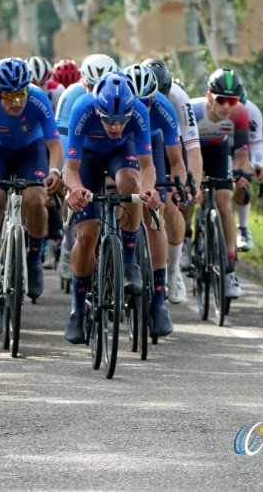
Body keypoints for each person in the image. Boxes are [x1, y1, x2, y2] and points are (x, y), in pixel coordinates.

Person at [62, 72, 160, 344]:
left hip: (122, 153)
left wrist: (148, 190)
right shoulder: (82, 108)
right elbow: (69, 169)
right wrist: (76, 190)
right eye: (109, 120)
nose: (116, 126)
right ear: (97, 110)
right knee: (87, 234)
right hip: (89, 159)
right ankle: (78, 309)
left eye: (122, 120)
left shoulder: (139, 111)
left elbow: (148, 166)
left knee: (131, 182)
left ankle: (129, 262)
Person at [0, 57, 65, 316]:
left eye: (21, 93)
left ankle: (34, 257)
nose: (17, 102)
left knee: (36, 198)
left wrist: (55, 171)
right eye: (9, 96)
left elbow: (55, 145)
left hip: (30, 151)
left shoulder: (37, 98)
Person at [123, 64, 186, 336]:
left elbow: (177, 161)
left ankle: (159, 300)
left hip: (151, 147)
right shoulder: (114, 103)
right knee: (119, 200)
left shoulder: (162, 108)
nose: (143, 109)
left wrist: (174, 191)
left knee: (155, 214)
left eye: (147, 102)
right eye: (137, 103)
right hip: (121, 143)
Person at [141, 57, 203, 302]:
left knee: (171, 206)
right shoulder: (131, 89)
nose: (161, 98)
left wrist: (192, 186)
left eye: (164, 92)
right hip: (142, 141)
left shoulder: (177, 99)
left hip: (168, 143)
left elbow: (193, 151)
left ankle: (173, 270)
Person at [54, 53, 119, 283]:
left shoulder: (122, 95)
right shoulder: (72, 96)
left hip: (113, 151)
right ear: (83, 83)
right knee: (69, 183)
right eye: (91, 85)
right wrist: (63, 175)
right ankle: (68, 239)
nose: (97, 91)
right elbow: (62, 137)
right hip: (83, 150)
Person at [190, 69, 251, 299]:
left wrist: (240, 174)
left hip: (218, 151)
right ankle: (186, 239)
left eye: (232, 100)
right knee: (188, 195)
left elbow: (242, 153)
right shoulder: (193, 111)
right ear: (209, 98)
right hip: (192, 150)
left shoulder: (240, 114)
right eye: (221, 100)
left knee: (224, 202)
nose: (226, 106)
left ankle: (228, 270)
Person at [235, 89, 263, 252]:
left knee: (245, 175)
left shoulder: (252, 111)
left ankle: (242, 227)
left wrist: (257, 166)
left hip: (240, 148)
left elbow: (256, 147)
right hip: (214, 145)